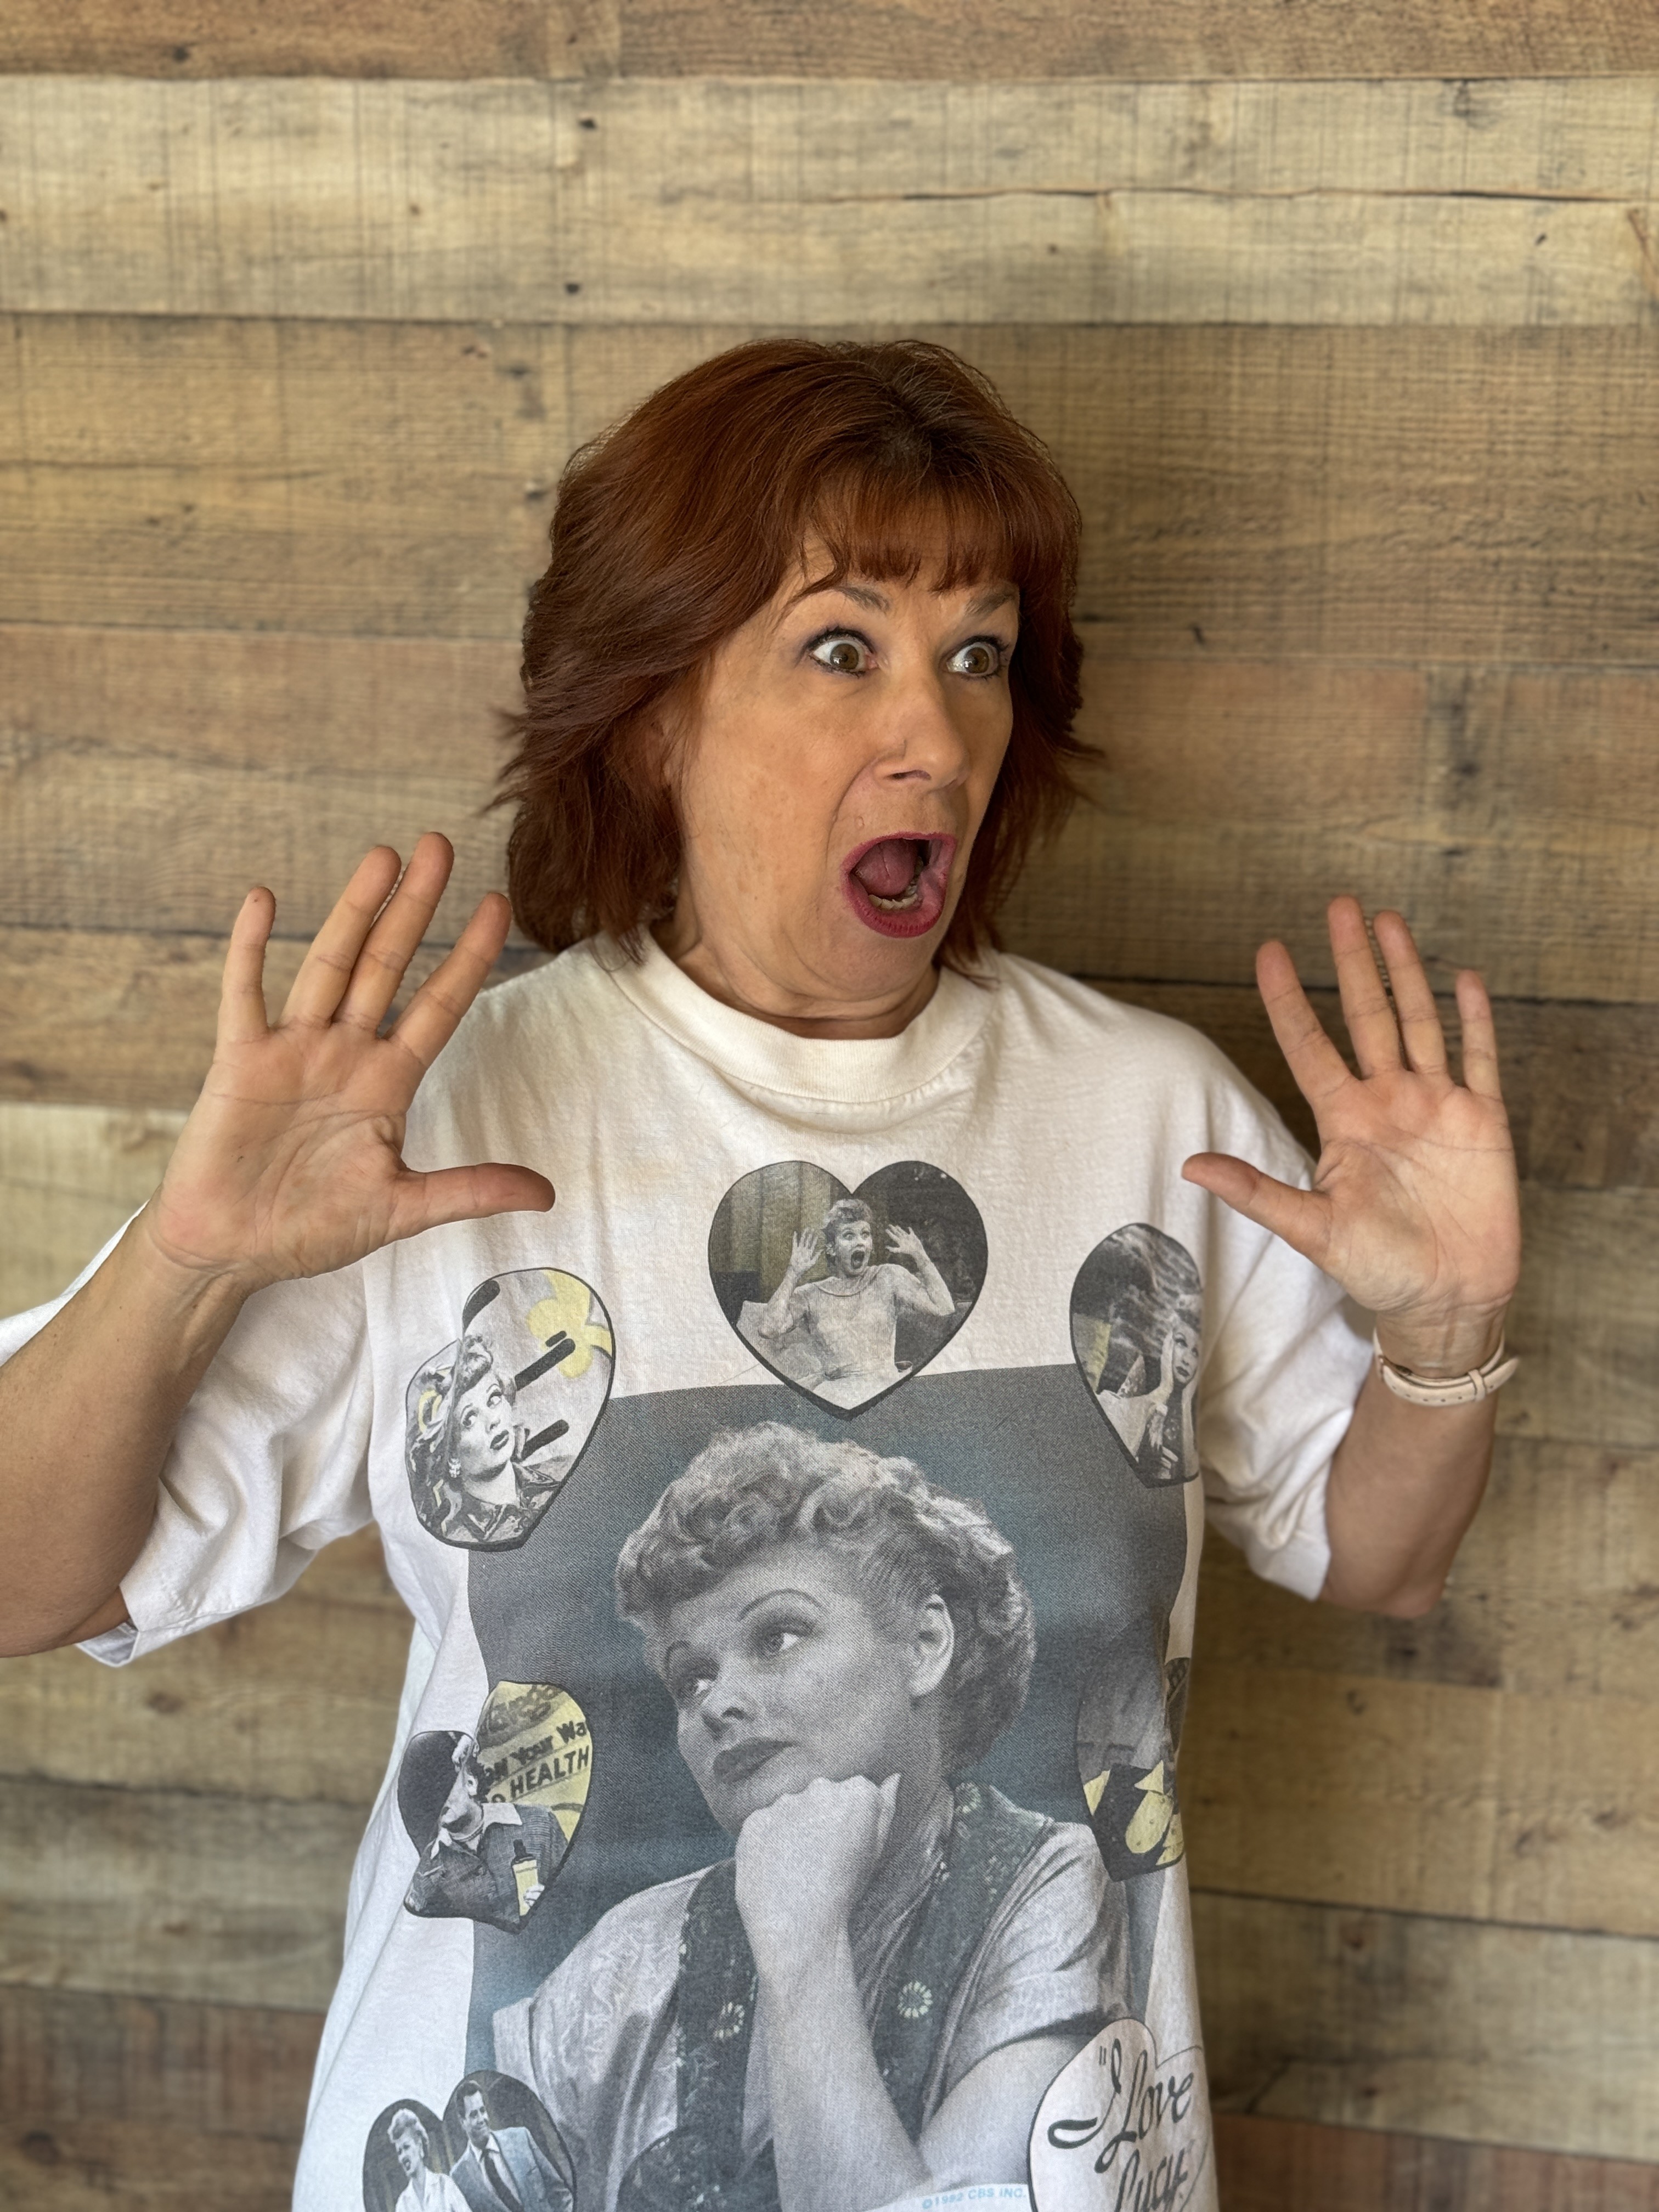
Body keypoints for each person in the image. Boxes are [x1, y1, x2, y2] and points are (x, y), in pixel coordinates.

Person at [0, 337, 1522, 2212]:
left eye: (978, 654)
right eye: (842, 647)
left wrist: (1443, 1339)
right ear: (652, 716)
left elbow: (1375, 1554)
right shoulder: (440, 1120)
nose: (937, 732)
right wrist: (188, 1264)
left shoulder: (1155, 1119)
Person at [495, 1423, 1122, 2209]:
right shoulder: (622, 1959)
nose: (718, 1702)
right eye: (691, 1679)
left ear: (925, 1644)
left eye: (778, 1636)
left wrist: (803, 1946)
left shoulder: (1048, 1887)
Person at [749, 1197, 956, 1405]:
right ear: (832, 1248)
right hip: (836, 1394)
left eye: (865, 1234)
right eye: (849, 1236)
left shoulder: (888, 1276)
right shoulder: (811, 1294)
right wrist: (793, 1273)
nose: (860, 1242)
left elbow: (944, 1307)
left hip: (885, 1387)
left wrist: (920, 1256)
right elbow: (768, 1329)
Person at [400, 1731, 567, 1933]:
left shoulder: (539, 1822)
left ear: (471, 1783)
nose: (437, 1801)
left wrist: (554, 1902)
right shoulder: (428, 1871)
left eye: (443, 1788)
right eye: (427, 1796)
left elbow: (578, 1892)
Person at [1097, 1308, 1201, 1485]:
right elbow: (1114, 1430)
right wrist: (1165, 1388)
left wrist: (1186, 1404)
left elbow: (1194, 1475)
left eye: (1196, 1353)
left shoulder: (1202, 1396)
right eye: (1181, 1343)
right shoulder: (1149, 1367)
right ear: (1169, 1343)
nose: (1187, 1360)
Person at [448, 2079, 573, 2212]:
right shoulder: (460, 2177)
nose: (481, 2119)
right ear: (463, 2122)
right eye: (474, 2115)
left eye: (483, 2111)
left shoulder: (521, 2138)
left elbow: (561, 2195)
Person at [386, 2108, 470, 2212]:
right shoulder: (403, 2204)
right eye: (400, 2152)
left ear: (420, 2146)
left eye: (407, 2147)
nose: (403, 2156)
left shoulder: (444, 2185)